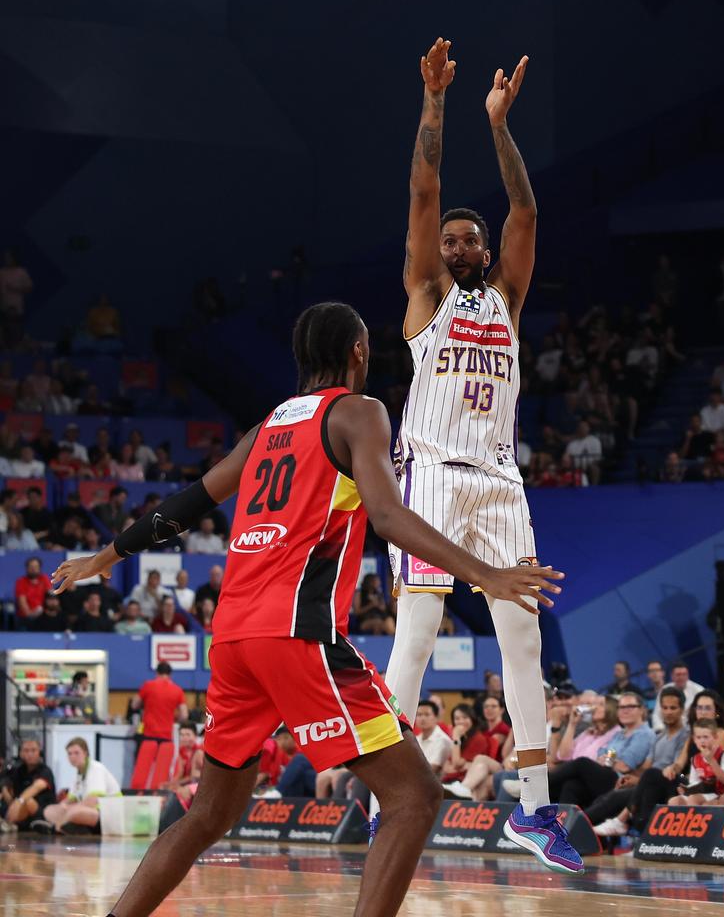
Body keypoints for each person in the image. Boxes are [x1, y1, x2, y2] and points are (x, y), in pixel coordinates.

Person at [50, 299, 569, 915]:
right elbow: (387, 515)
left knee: (207, 816)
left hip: (235, 640)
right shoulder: (360, 412)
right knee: (414, 798)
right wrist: (486, 573)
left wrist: (105, 556)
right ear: (358, 352)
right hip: (297, 632)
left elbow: (189, 502)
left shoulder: (268, 426)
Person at [382, 36, 581, 873]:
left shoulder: (505, 298)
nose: (463, 246)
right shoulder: (426, 297)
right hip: (430, 471)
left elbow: (527, 214)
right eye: (454, 240)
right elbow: (425, 188)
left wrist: (498, 124)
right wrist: (436, 101)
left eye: (473, 240)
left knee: (524, 640)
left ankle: (532, 814)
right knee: (418, 635)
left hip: (501, 480)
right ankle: (381, 792)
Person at [588, 686, 689, 836]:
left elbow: (677, 768)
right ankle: (581, 829)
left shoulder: (686, 735)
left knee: (619, 795)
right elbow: (646, 768)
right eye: (664, 707)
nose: (668, 712)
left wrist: (641, 778)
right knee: (607, 796)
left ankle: (576, 827)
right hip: (650, 781)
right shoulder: (659, 736)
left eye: (673, 708)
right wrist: (634, 779)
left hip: (672, 783)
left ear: (682, 710)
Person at [548, 692, 655, 809]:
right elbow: (601, 754)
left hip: (620, 781)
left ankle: (541, 785)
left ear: (642, 710)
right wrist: (609, 760)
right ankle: (563, 823)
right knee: (572, 786)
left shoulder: (643, 734)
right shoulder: (620, 734)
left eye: (630, 706)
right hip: (604, 775)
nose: (625, 710)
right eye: (621, 707)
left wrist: (609, 760)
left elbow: (624, 766)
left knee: (582, 763)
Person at [39, 737, 120, 834]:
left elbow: (92, 801)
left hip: (107, 813)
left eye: (76, 753)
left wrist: (70, 808)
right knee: (49, 810)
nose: (72, 757)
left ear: (85, 753)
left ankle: (56, 827)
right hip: (88, 810)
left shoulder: (96, 768)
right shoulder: (78, 774)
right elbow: (71, 799)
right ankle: (68, 827)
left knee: (74, 811)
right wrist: (62, 806)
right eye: (69, 754)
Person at [667, 719, 724, 806]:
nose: (702, 741)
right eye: (698, 737)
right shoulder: (695, 759)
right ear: (694, 739)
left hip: (719, 794)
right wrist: (687, 789)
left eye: (706, 737)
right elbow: (694, 782)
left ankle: (692, 819)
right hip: (702, 792)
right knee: (674, 801)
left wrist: (711, 761)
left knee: (694, 799)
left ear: (715, 737)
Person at [0, 739, 56, 833]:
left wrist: (19, 801)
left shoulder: (45, 771)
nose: (30, 754)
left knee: (28, 801)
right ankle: (9, 823)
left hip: (41, 813)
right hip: (18, 811)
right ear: (21, 753)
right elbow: (4, 780)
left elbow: (36, 787)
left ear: (39, 752)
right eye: (26, 750)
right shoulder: (18, 770)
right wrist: (5, 791)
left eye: (33, 750)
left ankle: (8, 823)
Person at [130, 663, 188, 743]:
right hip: (166, 735)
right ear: (170, 674)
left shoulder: (148, 685)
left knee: (146, 755)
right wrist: (175, 719)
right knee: (164, 755)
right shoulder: (178, 690)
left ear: (156, 673)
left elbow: (134, 705)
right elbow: (184, 715)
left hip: (148, 733)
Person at [651, 662, 704, 730]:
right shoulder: (665, 690)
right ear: (672, 676)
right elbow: (656, 714)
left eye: (684, 674)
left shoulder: (699, 691)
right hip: (667, 730)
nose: (681, 677)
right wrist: (660, 730)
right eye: (678, 675)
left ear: (688, 675)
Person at [414, 699, 453, 775]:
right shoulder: (416, 739)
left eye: (427, 714)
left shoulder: (443, 740)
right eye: (419, 715)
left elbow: (431, 770)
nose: (422, 718)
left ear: (436, 717)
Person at [14, 556, 52, 629]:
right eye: (31, 567)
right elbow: (23, 604)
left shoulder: (44, 579)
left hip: (44, 616)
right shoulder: (21, 582)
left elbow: (51, 597)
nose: (33, 569)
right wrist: (31, 615)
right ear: (27, 568)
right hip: (27, 617)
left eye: (36, 567)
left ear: (39, 568)